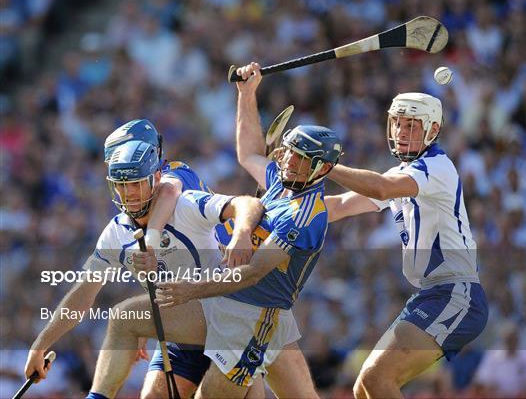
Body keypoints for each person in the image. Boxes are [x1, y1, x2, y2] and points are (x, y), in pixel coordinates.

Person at [91, 65, 343, 397]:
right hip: (218, 301)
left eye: (301, 159)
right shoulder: (280, 183)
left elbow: (252, 273)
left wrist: (190, 291)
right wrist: (246, 94)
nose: (289, 162)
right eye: (290, 153)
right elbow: (249, 153)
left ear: (322, 169)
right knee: (126, 319)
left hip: (256, 315)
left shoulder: (305, 214)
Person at [24, 139, 265, 399]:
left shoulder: (186, 206)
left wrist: (241, 233)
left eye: (137, 183)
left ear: (156, 178)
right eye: (122, 185)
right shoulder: (116, 232)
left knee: (123, 318)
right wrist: (40, 346)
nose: (130, 193)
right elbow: (83, 294)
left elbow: (249, 204)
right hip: (180, 335)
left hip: (226, 319)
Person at [325, 92, 489, 399]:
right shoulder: (401, 173)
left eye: (412, 126)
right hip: (431, 294)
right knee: (364, 387)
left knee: (378, 379)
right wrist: (280, 206)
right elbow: (338, 207)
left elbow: (381, 188)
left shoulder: (438, 167)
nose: (401, 132)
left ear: (433, 130)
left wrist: (325, 166)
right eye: (397, 123)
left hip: (457, 293)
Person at [105, 119, 219, 397]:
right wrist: (146, 323)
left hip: (224, 304)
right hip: (186, 308)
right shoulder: (142, 200)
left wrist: (151, 241)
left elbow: (169, 191)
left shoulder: (170, 176)